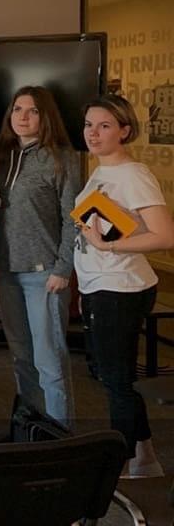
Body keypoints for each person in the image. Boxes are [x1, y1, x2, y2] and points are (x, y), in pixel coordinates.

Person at [76, 94, 174, 478]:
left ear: (124, 130)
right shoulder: (103, 170)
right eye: (89, 125)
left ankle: (122, 462)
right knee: (112, 376)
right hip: (100, 284)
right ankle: (144, 457)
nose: (93, 133)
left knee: (116, 380)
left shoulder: (133, 175)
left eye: (104, 126)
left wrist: (108, 246)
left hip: (119, 287)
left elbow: (165, 236)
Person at [0, 86, 80, 428]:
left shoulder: (62, 158)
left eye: (33, 111)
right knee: (22, 358)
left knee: (49, 362)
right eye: (17, 109)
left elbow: (74, 219)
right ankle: (29, 429)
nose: (23, 117)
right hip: (8, 272)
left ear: (46, 117)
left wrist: (63, 268)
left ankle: (59, 437)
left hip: (46, 275)